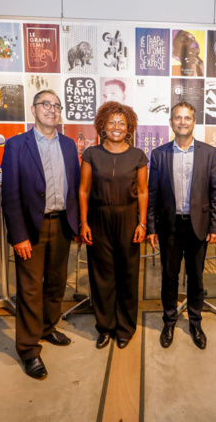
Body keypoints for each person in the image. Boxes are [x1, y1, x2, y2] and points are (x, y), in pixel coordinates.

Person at [1, 89, 80, 380]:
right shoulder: (16, 146)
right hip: (31, 228)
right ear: (33, 110)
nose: (52, 109)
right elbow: (10, 195)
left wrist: (77, 224)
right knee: (30, 288)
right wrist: (18, 235)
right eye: (45, 104)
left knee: (56, 284)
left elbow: (75, 188)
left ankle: (47, 327)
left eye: (57, 106)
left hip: (62, 225)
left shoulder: (69, 145)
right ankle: (28, 349)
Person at [147, 102, 216, 350]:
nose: (182, 122)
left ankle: (195, 323)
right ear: (171, 122)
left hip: (198, 226)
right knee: (169, 277)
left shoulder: (209, 153)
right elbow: (153, 194)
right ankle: (169, 322)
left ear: (194, 121)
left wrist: (215, 227)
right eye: (178, 118)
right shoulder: (159, 154)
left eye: (187, 118)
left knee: (196, 278)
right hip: (168, 227)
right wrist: (151, 227)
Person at [79, 102, 148, 350]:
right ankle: (105, 327)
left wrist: (142, 223)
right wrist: (84, 222)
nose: (116, 127)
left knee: (128, 275)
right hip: (98, 219)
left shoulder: (138, 156)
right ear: (102, 126)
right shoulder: (91, 154)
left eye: (122, 123)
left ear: (129, 127)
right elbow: (84, 190)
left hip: (128, 219)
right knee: (102, 276)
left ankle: (125, 328)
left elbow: (143, 192)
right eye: (111, 122)